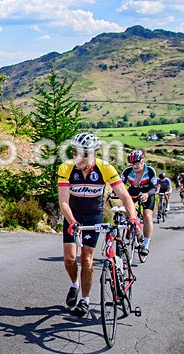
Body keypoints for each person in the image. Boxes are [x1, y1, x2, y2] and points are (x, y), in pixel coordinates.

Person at [58, 133, 140, 317]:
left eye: (84, 154)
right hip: (73, 215)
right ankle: (74, 284)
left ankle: (85, 300)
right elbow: (63, 202)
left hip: (94, 215)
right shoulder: (66, 168)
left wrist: (133, 217)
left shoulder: (105, 168)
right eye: (75, 152)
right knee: (70, 259)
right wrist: (72, 221)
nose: (78, 157)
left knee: (87, 259)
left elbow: (125, 196)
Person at [121, 149, 158, 257]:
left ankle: (145, 245)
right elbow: (119, 184)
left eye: (136, 163)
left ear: (142, 160)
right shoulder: (127, 171)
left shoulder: (150, 170)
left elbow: (154, 187)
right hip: (133, 191)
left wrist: (147, 194)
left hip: (148, 192)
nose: (134, 166)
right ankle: (134, 226)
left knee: (147, 215)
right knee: (127, 211)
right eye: (132, 164)